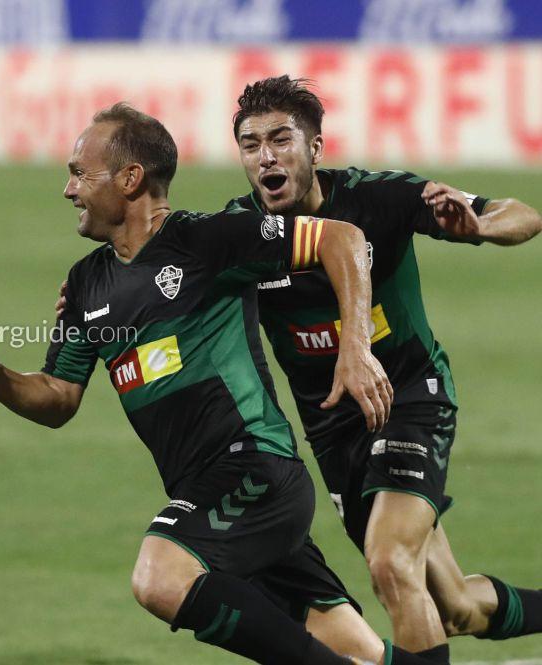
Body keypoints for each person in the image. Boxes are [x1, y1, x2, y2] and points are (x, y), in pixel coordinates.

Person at [0, 103, 440, 665]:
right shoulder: (87, 284)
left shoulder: (208, 240)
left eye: (80, 174)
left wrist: (354, 346)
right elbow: (59, 396)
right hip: (214, 496)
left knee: (159, 575)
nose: (69, 190)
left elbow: (342, 238)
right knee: (363, 651)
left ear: (130, 179)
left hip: (255, 470)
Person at [226, 75, 542, 662]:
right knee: (455, 606)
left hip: (410, 396)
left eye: (280, 140)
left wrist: (481, 226)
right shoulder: (240, 233)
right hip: (333, 428)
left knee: (391, 564)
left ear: (316, 148)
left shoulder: (380, 199)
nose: (265, 156)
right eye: (251, 144)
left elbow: (520, 213)